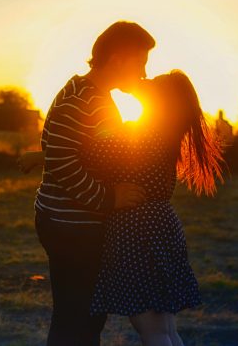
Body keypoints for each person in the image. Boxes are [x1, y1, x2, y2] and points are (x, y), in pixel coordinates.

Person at [22, 70, 224, 346]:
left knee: (153, 331)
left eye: (152, 83)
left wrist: (41, 156)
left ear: (160, 100)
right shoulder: (162, 134)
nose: (144, 79)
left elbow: (87, 152)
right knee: (166, 329)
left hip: (138, 234)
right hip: (160, 228)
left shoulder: (141, 134)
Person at [23, 21, 156, 346]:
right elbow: (64, 162)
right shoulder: (82, 98)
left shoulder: (90, 94)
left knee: (82, 316)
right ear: (118, 58)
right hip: (72, 226)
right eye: (140, 63)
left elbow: (86, 148)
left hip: (70, 222)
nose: (143, 73)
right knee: (78, 318)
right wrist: (108, 198)